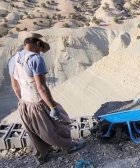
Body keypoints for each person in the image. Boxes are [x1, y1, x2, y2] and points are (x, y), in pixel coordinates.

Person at [8, 31, 84, 165]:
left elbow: (15, 86)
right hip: (37, 102)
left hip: (24, 104)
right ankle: (69, 146)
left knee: (33, 132)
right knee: (57, 125)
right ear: (38, 44)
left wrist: (22, 101)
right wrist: (53, 107)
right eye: (41, 49)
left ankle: (41, 155)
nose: (41, 52)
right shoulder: (36, 59)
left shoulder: (13, 60)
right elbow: (41, 88)